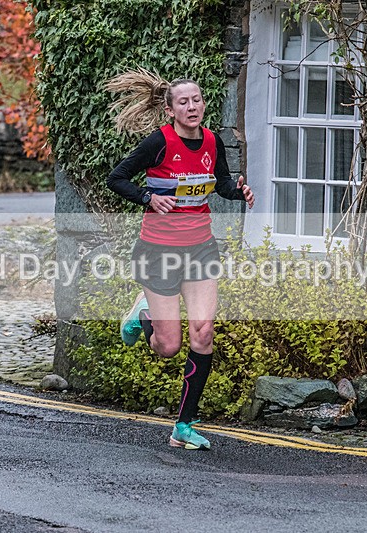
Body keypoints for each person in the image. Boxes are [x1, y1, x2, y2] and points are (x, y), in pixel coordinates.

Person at [106, 68, 254, 451]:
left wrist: (238, 192)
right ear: (171, 109)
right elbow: (116, 177)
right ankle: (144, 314)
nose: (192, 106)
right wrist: (148, 198)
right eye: (184, 101)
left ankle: (183, 426)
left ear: (204, 105)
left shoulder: (212, 141)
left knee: (204, 332)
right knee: (168, 346)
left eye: (197, 100)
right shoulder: (159, 142)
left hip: (201, 248)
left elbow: (220, 183)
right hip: (159, 251)